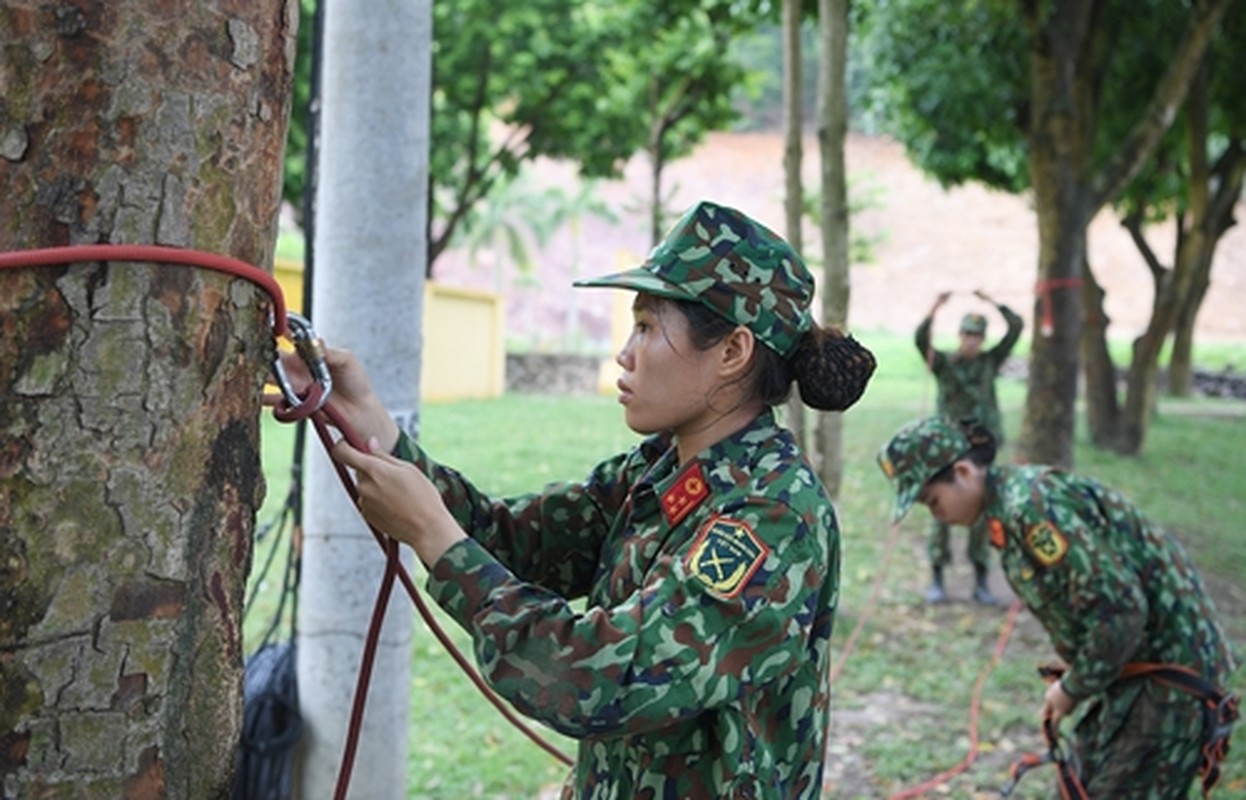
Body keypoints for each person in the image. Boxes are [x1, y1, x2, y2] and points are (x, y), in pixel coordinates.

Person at [284, 201, 877, 798]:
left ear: (732, 351)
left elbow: (598, 678)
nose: (624, 353)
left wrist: (436, 540)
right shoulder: (659, 471)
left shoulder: (773, 518)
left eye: (647, 327)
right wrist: (375, 427)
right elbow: (513, 541)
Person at [877, 416, 1239, 797]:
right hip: (1132, 675)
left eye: (932, 501)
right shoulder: (1010, 511)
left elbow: (1120, 610)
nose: (936, 514)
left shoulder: (1032, 508)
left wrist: (1072, 688)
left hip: (1169, 683)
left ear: (964, 472)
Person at [914, 290, 1023, 604]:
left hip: (981, 448)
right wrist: (935, 307)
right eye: (967, 335)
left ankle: (981, 581)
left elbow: (1016, 327)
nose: (972, 341)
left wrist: (992, 301)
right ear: (960, 335)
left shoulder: (991, 361)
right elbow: (921, 341)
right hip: (948, 448)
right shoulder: (945, 364)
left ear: (983, 339)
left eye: (978, 336)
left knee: (981, 511)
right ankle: (937, 578)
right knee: (941, 510)